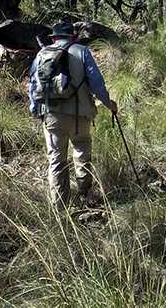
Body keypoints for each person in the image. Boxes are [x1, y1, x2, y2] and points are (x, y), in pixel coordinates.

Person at [29, 21, 118, 205]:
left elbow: (33, 85)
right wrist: (109, 104)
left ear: (53, 38)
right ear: (73, 36)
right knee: (82, 150)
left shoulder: (42, 54)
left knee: (56, 160)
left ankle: (59, 206)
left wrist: (35, 110)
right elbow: (97, 84)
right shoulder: (82, 51)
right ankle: (85, 195)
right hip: (80, 114)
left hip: (52, 115)